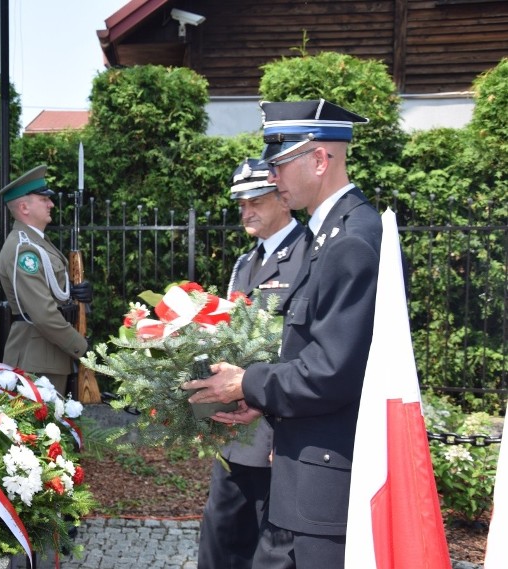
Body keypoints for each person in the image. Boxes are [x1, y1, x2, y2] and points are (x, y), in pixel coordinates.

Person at [184, 99, 383, 568]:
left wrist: (247, 383)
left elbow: (331, 371)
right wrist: (259, 398)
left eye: (280, 166)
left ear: (318, 159)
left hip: (321, 480)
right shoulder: (332, 232)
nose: (273, 179)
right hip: (303, 470)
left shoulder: (350, 238)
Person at [198, 158, 307, 569]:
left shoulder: (308, 257)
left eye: (255, 200)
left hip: (281, 428)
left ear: (283, 197)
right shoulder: (245, 263)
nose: (245, 211)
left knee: (273, 548)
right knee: (222, 538)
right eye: (241, 202)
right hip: (235, 428)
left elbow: (302, 352)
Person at [0, 165, 92, 396]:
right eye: (43, 199)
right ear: (24, 207)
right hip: (35, 360)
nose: (51, 204)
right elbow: (43, 314)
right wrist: (83, 348)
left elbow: (54, 293)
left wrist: (76, 293)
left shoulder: (37, 242)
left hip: (48, 356)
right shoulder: (24, 249)